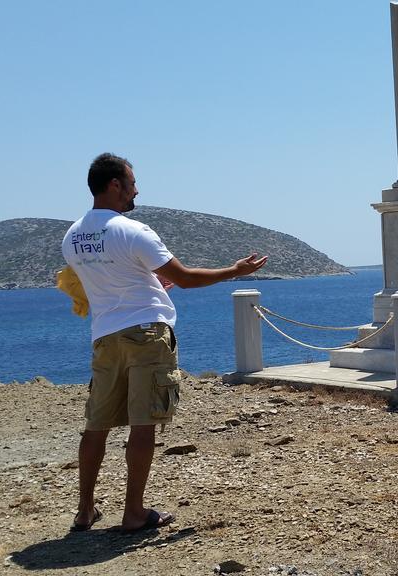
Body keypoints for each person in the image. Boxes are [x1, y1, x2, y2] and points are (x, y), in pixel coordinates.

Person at [62, 153, 268, 532]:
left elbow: (106, 282)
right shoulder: (133, 230)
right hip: (146, 335)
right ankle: (134, 513)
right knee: (144, 423)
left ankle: (85, 510)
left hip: (105, 336)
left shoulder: (72, 237)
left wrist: (151, 285)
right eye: (131, 182)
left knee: (96, 425)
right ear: (114, 185)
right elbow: (187, 278)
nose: (136, 190)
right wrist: (235, 271)